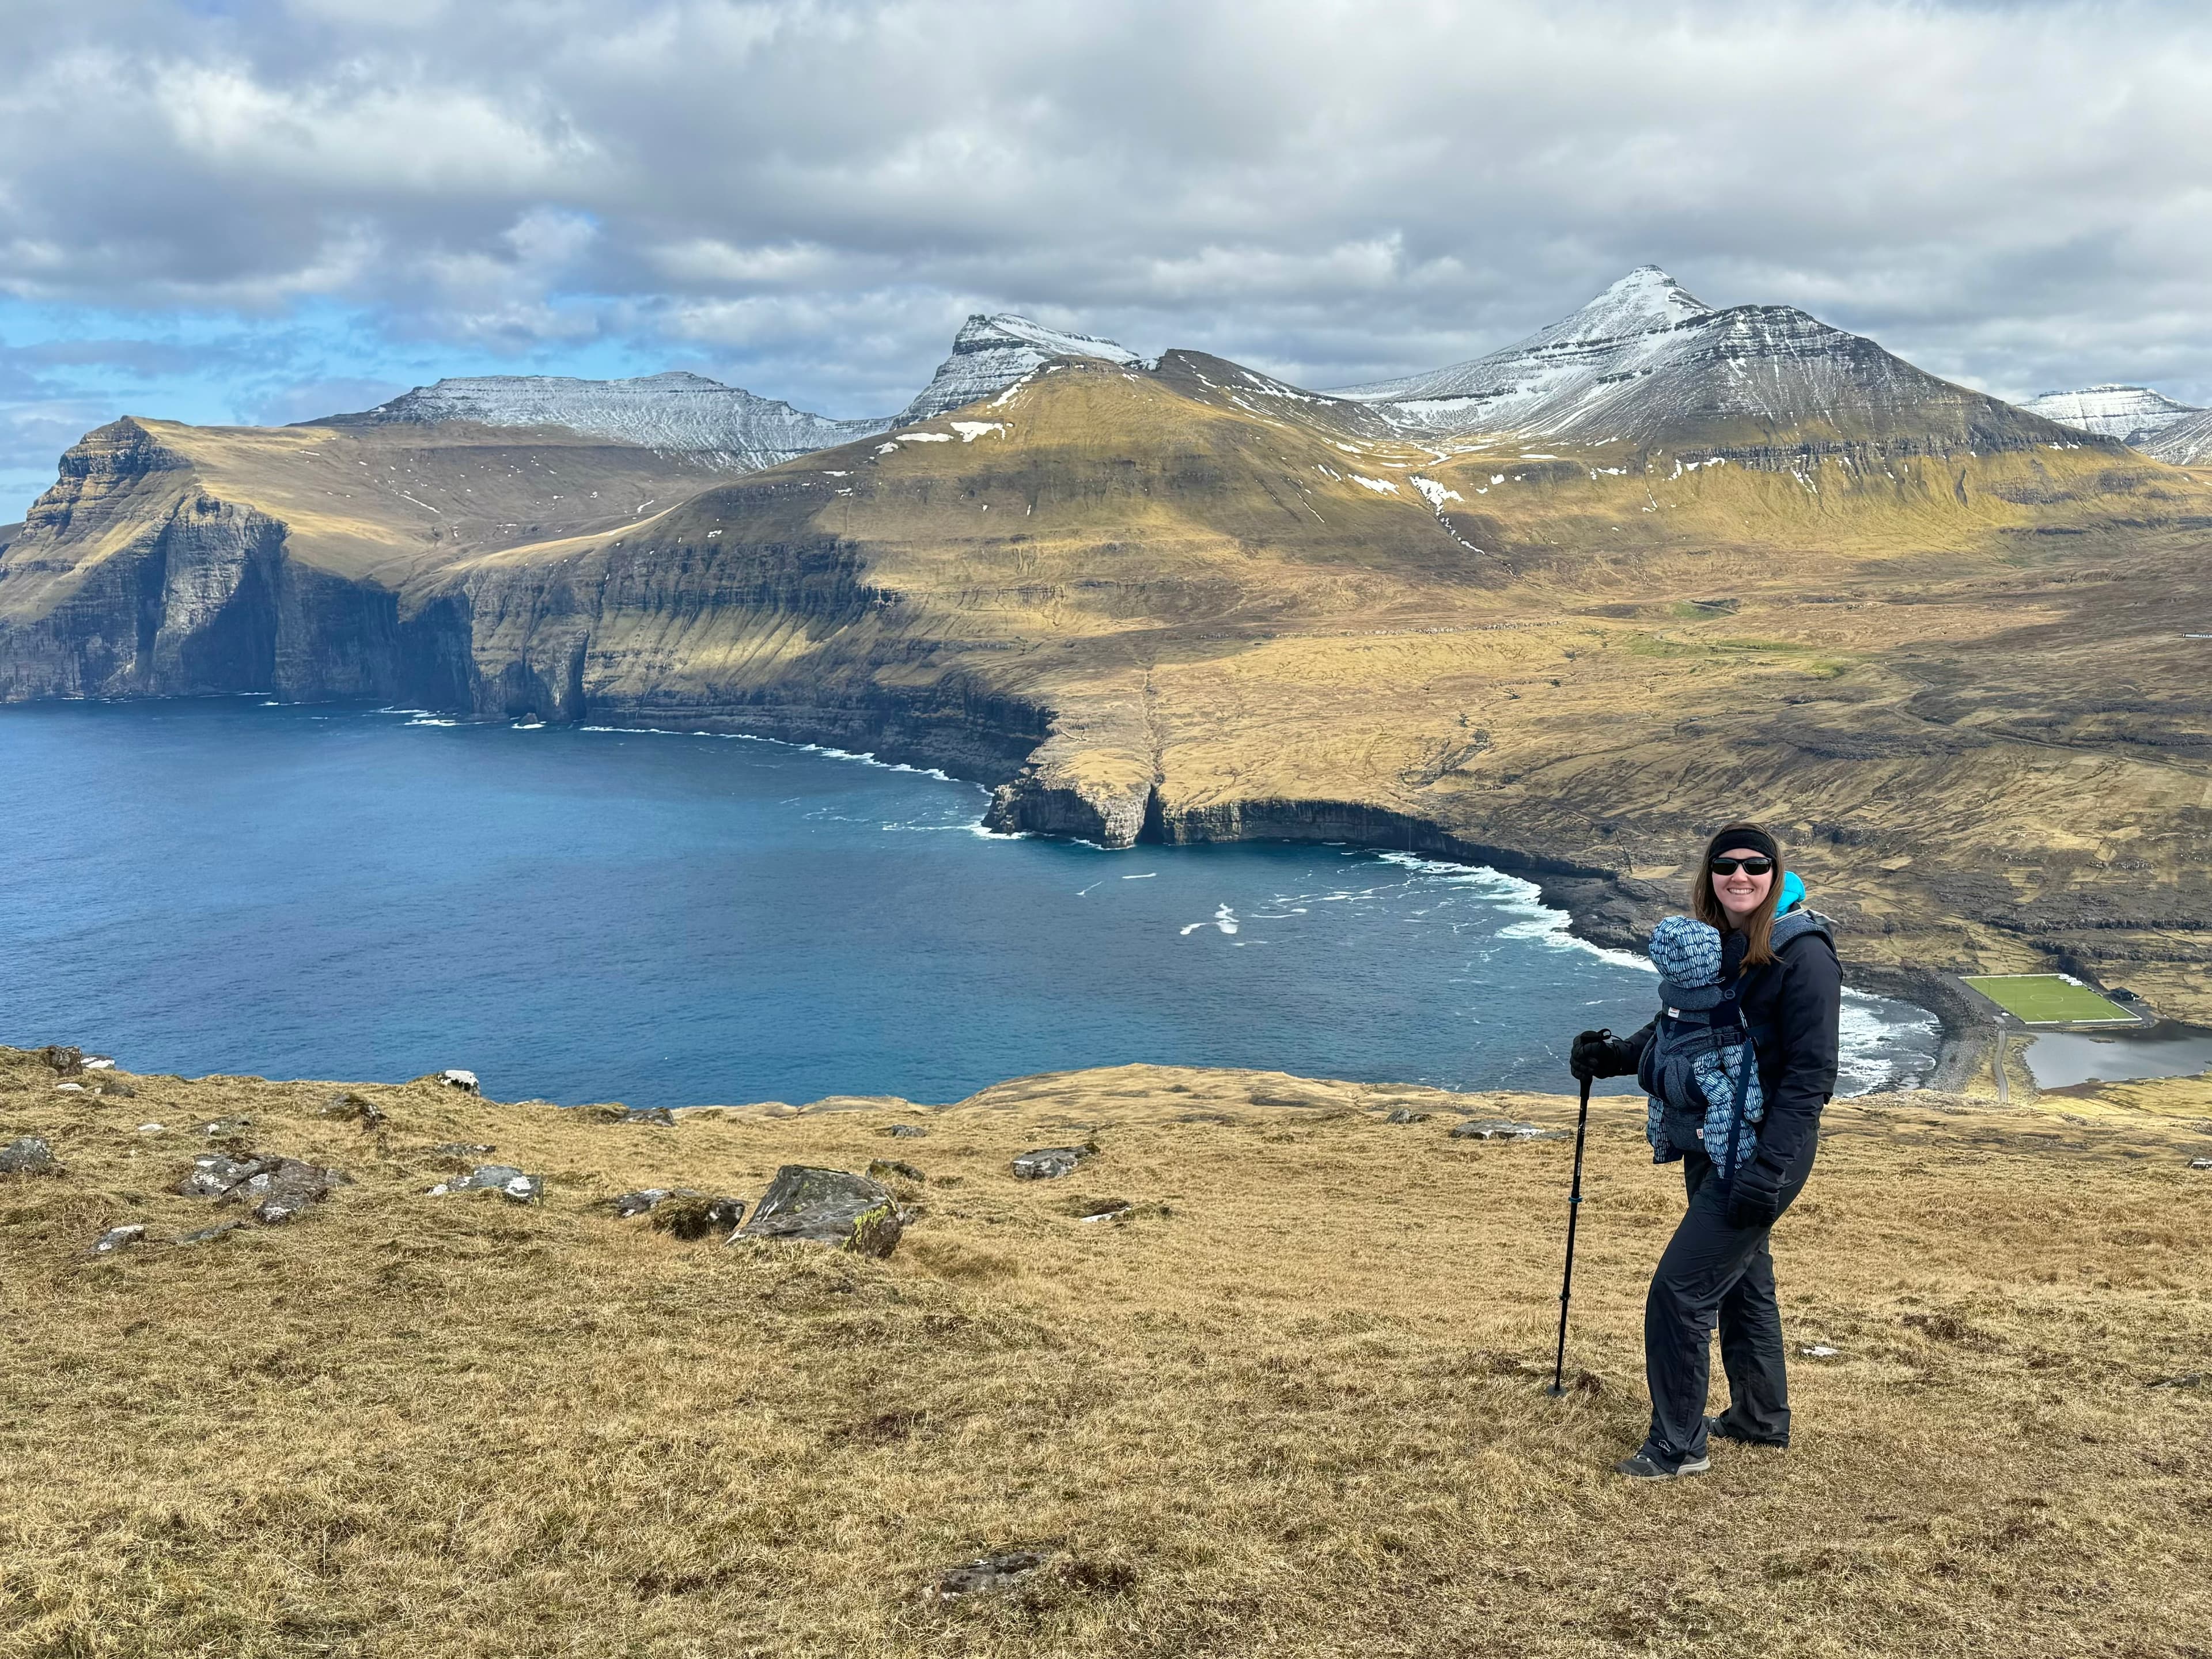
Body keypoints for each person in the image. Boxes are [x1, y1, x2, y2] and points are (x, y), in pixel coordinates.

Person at [1570, 823, 1841, 1480]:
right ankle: (1758, 1418)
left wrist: (1767, 1171)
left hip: (1763, 1152)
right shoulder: (1719, 942)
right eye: (1726, 865)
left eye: (1755, 866)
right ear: (1709, 874)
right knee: (1744, 1284)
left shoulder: (1803, 955)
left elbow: (1811, 1078)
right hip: (1714, 1143)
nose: (1739, 876)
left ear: (1778, 873)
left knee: (1680, 1291)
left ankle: (1677, 1446)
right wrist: (1612, 1057)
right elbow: (1685, 1030)